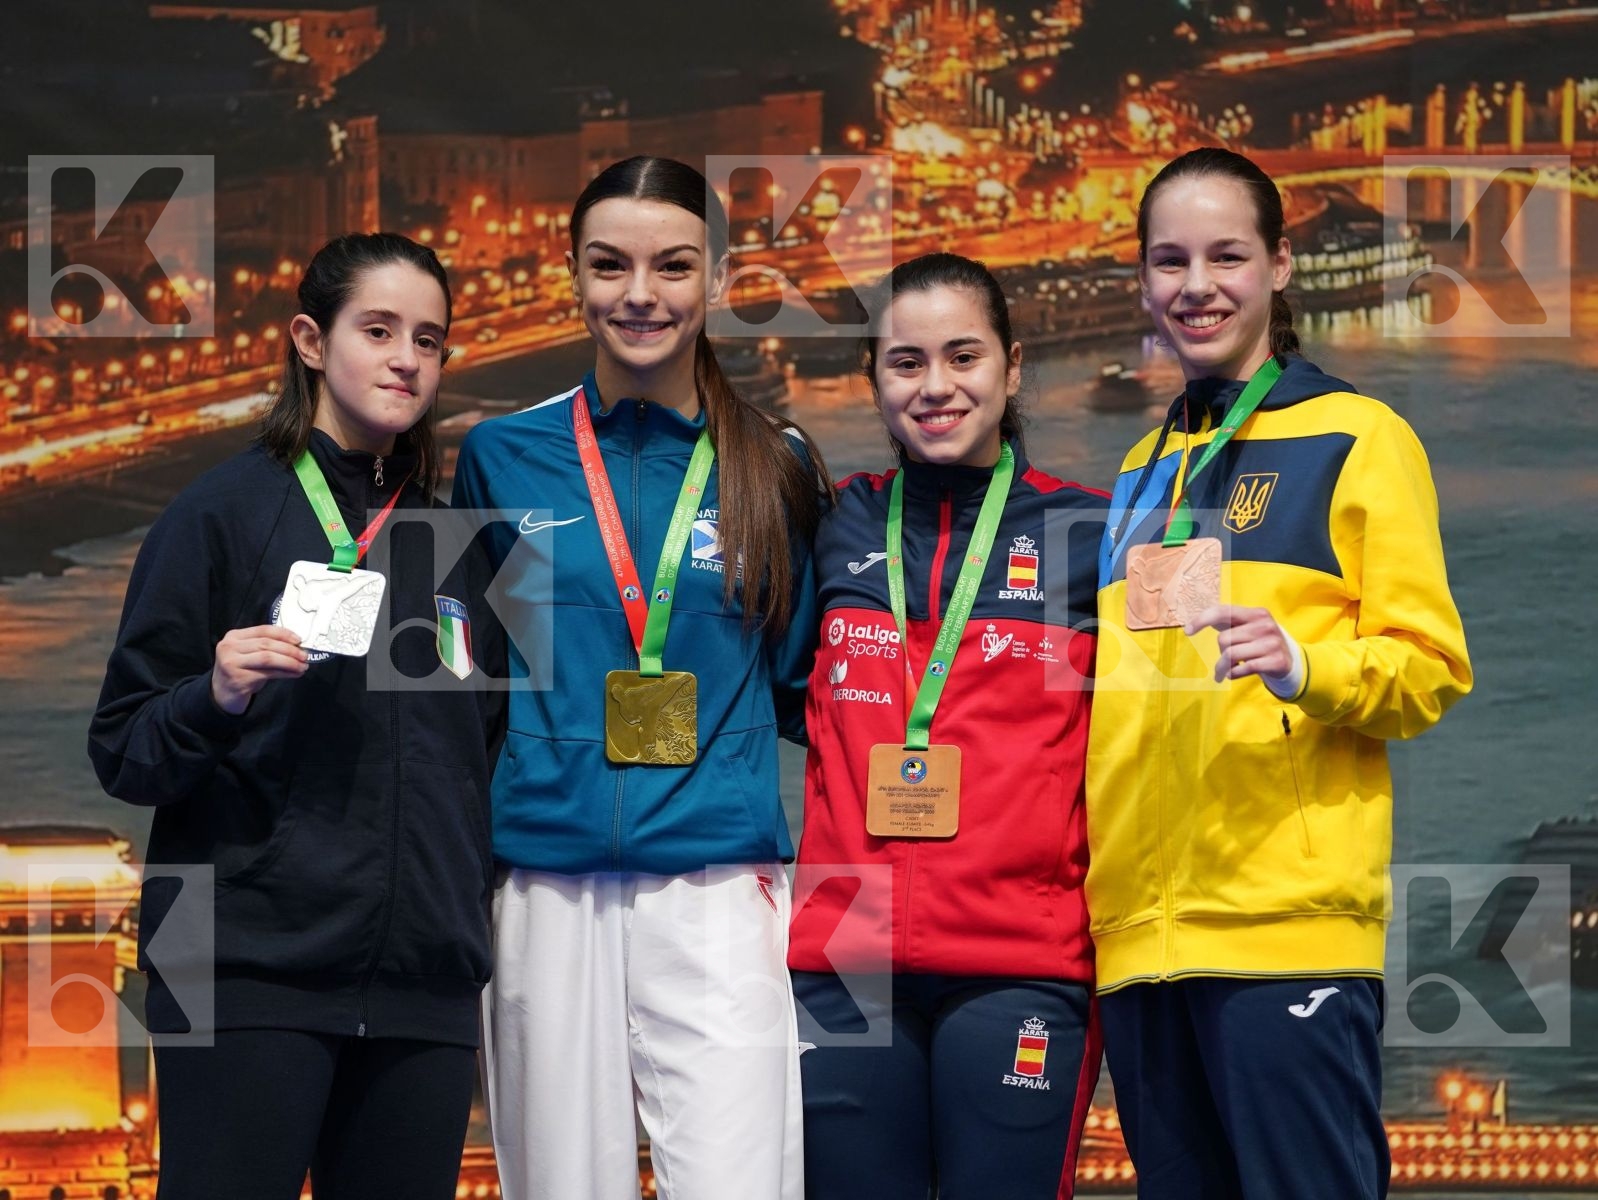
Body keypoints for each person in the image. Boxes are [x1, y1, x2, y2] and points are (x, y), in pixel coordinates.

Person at [1087, 147, 1473, 1199]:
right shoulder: (1136, 470)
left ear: (1279, 265)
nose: (1194, 284)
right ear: (1142, 281)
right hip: (1137, 943)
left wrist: (1305, 666)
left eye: (1225, 255)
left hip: (1282, 931)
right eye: (1169, 260)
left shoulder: (1359, 437)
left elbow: (1428, 669)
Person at [88, 232, 503, 1200]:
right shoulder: (219, 513)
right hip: (236, 970)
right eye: (379, 329)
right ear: (310, 342)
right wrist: (214, 694)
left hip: (421, 989)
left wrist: (458, 930)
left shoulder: (463, 548)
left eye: (430, 339)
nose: (407, 357)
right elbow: (123, 751)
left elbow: (486, 757)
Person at [454, 155, 831, 1200]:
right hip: (543, 882)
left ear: (716, 281)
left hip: (715, 882)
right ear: (572, 278)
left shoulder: (774, 463)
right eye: (608, 265)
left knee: (742, 1184)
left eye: (672, 266)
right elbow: (472, 680)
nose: (639, 294)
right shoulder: (500, 456)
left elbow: (806, 685)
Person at [788, 252, 1109, 1200]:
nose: (935, 387)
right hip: (843, 968)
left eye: (962, 357)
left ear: (1011, 368)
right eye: (905, 362)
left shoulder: (1090, 533)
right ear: (874, 379)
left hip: (1023, 966)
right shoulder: (835, 526)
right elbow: (782, 694)